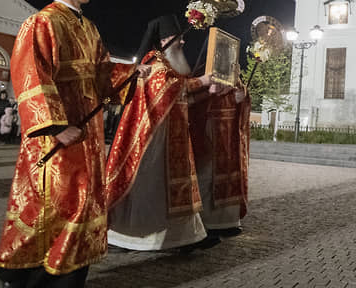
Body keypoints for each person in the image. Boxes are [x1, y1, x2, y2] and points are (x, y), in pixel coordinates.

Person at [0, 0, 141, 287]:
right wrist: (56, 127)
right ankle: (26, 276)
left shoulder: (89, 28)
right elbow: (31, 75)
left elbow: (104, 75)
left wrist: (135, 75)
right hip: (57, 137)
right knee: (54, 205)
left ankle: (70, 277)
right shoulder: (41, 22)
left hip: (87, 132)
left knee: (84, 203)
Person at [105, 14, 219, 252]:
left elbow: (182, 94)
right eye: (178, 39)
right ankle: (134, 238)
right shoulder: (154, 63)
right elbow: (170, 91)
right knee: (152, 187)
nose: (183, 43)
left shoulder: (167, 65)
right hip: (152, 142)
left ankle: (188, 237)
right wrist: (203, 81)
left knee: (177, 187)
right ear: (166, 39)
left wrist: (208, 89)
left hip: (171, 137)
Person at [190, 39, 251, 238]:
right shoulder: (206, 72)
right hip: (211, 131)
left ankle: (229, 221)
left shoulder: (235, 76)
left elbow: (242, 101)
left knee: (230, 176)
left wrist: (242, 98)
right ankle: (207, 222)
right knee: (207, 176)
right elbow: (195, 102)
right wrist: (211, 94)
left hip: (230, 134)